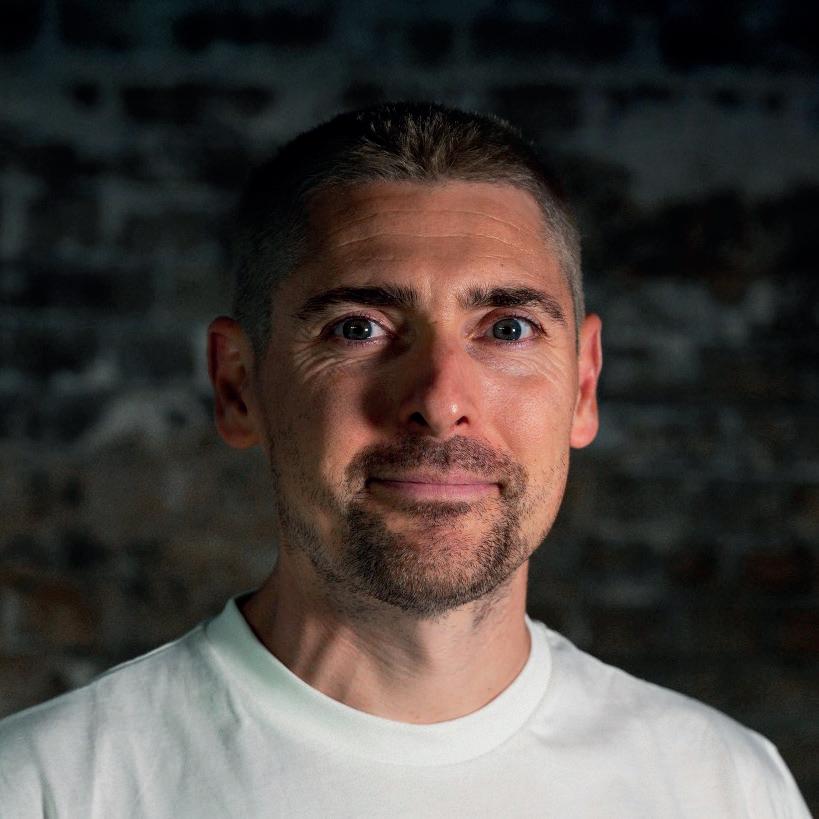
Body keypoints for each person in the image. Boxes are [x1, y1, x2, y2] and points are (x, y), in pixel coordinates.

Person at [0, 102, 809, 818]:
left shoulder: (722, 787)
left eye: (507, 328)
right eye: (358, 328)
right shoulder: (47, 788)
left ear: (583, 385)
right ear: (239, 385)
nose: (439, 399)